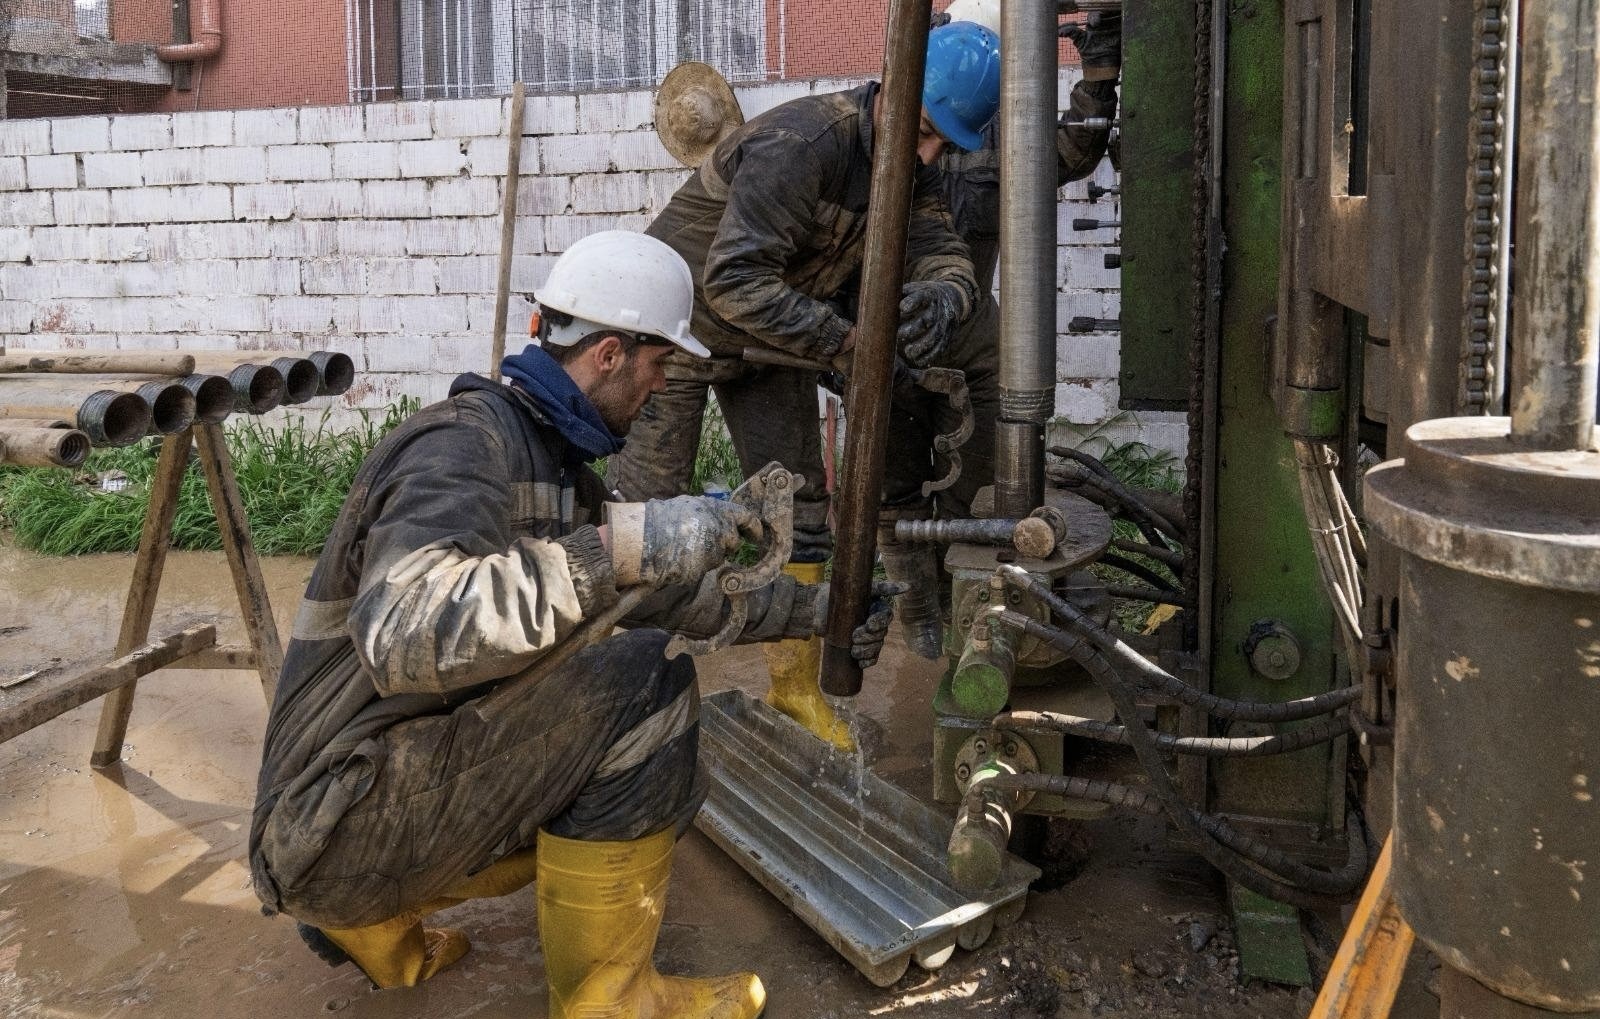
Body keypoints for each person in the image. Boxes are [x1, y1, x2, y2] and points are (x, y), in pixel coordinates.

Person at [248, 230, 898, 1019]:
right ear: (611, 354)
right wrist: (620, 545)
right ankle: (613, 1003)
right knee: (644, 687)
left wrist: (818, 613)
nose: (662, 388)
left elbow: (675, 597)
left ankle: (376, 921)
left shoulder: (555, 472)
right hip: (331, 822)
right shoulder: (461, 446)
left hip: (348, 807)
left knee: (603, 683)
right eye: (661, 366)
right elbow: (406, 633)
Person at [607, 20, 1002, 750]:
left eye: (945, 144)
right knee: (642, 516)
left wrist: (946, 293)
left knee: (796, 514)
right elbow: (732, 279)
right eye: (921, 131)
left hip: (769, 339)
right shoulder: (806, 145)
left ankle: (794, 691)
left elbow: (944, 249)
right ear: (890, 84)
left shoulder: (918, 162)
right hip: (674, 329)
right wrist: (847, 344)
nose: (927, 155)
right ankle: (616, 700)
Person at [877, 0, 1123, 659]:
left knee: (943, 478)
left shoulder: (969, 125)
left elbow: (1072, 146)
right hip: (924, 339)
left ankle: (944, 604)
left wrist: (1100, 64)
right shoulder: (938, 119)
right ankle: (928, 606)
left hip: (945, 337)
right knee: (918, 484)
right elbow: (1078, 143)